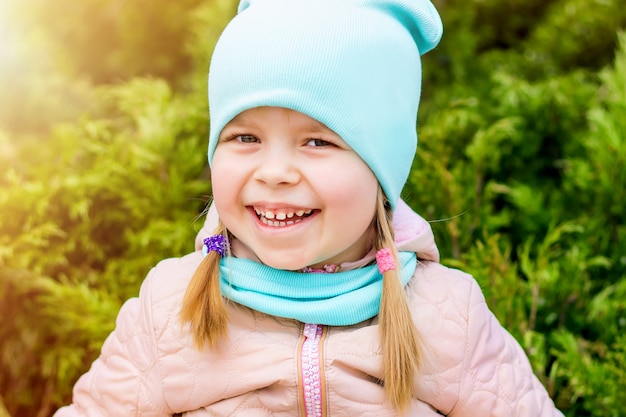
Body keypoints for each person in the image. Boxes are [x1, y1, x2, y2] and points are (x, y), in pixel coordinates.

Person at [54, 0, 565, 415]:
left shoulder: (447, 314)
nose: (275, 171)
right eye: (246, 136)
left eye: (317, 142)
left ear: (381, 170)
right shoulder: (169, 308)